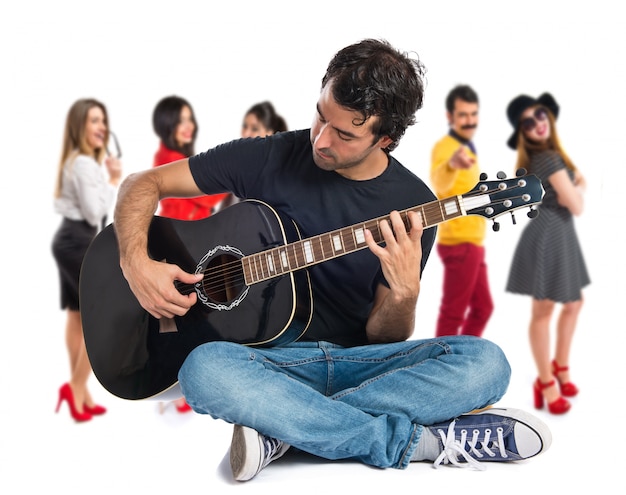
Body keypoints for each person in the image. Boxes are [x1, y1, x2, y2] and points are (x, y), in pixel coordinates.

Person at [113, 39, 551, 481]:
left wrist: (404, 294)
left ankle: (283, 430)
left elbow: (385, 340)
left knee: (487, 364)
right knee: (203, 370)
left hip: (358, 366)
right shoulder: (269, 156)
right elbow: (142, 183)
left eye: (344, 134)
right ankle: (411, 442)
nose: (321, 140)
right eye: (321, 116)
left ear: (386, 138)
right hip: (267, 367)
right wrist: (136, 263)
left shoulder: (413, 205)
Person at [505, 93, 590, 414]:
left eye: (540, 115)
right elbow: (577, 206)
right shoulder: (550, 159)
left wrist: (574, 181)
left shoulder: (551, 157)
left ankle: (561, 367)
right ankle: (545, 381)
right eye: (528, 122)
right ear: (523, 132)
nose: (537, 123)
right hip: (551, 233)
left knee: (573, 302)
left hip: (559, 232)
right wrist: (578, 184)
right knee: (543, 312)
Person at [152, 95, 228, 413]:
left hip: (191, 242)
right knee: (192, 311)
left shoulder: (180, 157)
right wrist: (233, 179)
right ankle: (186, 380)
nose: (188, 126)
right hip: (180, 246)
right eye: (180, 120)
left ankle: (186, 380)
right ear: (167, 124)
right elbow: (205, 199)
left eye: (189, 119)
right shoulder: (168, 158)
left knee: (192, 311)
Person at [52, 98, 122, 422]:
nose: (102, 127)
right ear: (80, 126)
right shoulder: (83, 164)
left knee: (77, 314)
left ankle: (78, 390)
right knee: (102, 315)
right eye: (94, 120)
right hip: (78, 239)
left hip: (70, 238)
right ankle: (77, 385)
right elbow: (96, 212)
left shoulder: (78, 162)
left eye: (103, 121)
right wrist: (111, 180)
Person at [429, 85, 493, 337]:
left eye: (473, 114)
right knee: (453, 313)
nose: (469, 121)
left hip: (473, 242)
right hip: (459, 243)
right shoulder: (447, 148)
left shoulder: (468, 146)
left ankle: (463, 357)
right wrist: (452, 165)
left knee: (483, 308)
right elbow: (439, 180)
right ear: (450, 117)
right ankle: (443, 365)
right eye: (463, 115)